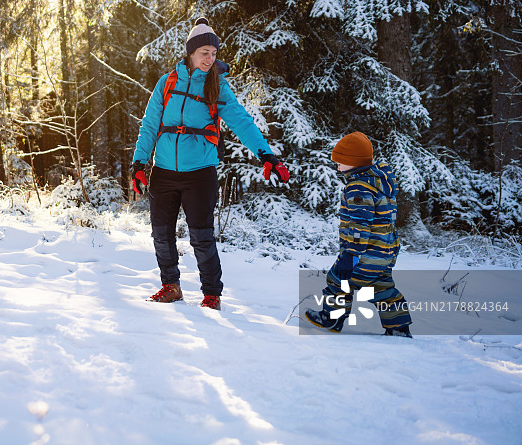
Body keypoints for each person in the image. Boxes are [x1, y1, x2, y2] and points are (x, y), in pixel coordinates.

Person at [130, 17, 289, 310]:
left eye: (214, 53)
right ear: (191, 52)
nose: (210, 58)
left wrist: (266, 155)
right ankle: (171, 286)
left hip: (200, 173)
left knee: (201, 236)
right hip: (163, 171)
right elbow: (150, 125)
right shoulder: (167, 83)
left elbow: (242, 121)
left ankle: (211, 293)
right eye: (205, 52)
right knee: (161, 234)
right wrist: (139, 164)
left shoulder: (217, 86)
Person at [304, 132, 413, 337]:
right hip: (386, 250)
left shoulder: (358, 188)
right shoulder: (379, 183)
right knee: (381, 286)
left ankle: (332, 318)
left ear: (353, 162)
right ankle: (398, 327)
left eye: (341, 161)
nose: (337, 165)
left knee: (339, 279)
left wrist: (351, 254)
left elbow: (360, 224)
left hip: (365, 251)